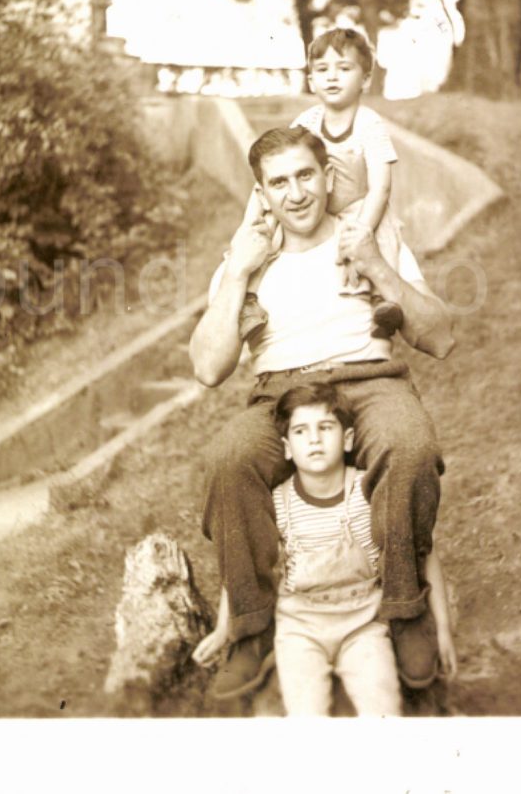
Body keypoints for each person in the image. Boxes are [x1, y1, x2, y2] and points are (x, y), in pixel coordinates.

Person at [190, 123, 455, 701]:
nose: (296, 194)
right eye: (278, 182)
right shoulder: (248, 261)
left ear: (326, 176)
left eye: (305, 175)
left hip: (369, 378)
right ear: (261, 193)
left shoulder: (368, 234)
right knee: (229, 457)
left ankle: (406, 609)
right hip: (280, 392)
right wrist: (237, 271)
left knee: (408, 443)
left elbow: (440, 337)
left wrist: (376, 264)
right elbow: (208, 368)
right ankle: (253, 629)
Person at [193, 382, 457, 715]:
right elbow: (242, 561)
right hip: (300, 627)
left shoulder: (366, 493)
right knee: (307, 716)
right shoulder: (279, 501)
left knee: (384, 708)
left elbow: (424, 552)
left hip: (363, 625)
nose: (314, 439)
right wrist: (222, 630)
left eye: (325, 427)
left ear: (347, 440)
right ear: (287, 448)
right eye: (301, 431)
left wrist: (443, 631)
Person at [237, 27, 404, 343]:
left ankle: (385, 301)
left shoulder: (369, 125)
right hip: (316, 202)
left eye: (344, 69)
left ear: (366, 79)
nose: (332, 78)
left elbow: (380, 187)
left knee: (385, 233)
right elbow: (278, 162)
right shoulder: (308, 121)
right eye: (322, 70)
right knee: (263, 237)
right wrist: (251, 222)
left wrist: (362, 229)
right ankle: (249, 301)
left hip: (358, 204)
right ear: (311, 80)